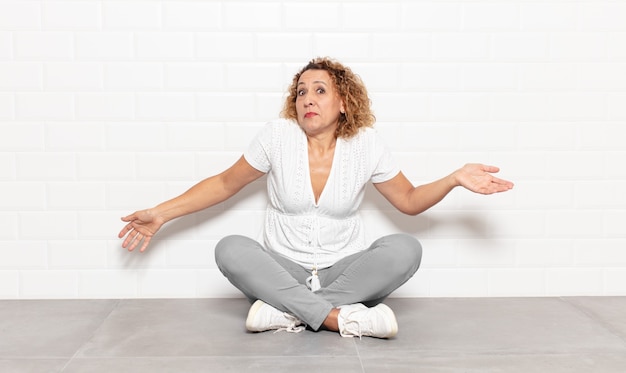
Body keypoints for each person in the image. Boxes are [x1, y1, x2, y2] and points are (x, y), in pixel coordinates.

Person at [118, 57, 514, 339]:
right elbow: (224, 184)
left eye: (320, 90)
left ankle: (287, 312)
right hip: (284, 267)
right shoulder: (277, 136)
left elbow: (408, 201)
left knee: (405, 248)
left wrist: (454, 179)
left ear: (343, 103)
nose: (307, 98)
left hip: (345, 273)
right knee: (231, 248)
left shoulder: (365, 144)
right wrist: (161, 213)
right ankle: (340, 319)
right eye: (301, 92)